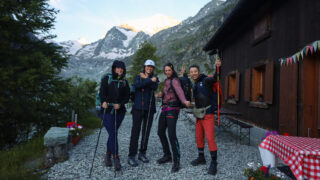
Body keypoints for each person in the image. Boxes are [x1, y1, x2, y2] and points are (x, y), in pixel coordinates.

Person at [188, 58, 221, 175]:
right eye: (191, 72)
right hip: (198, 114)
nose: (193, 73)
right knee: (199, 137)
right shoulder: (195, 84)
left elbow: (216, 78)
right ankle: (201, 157)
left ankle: (214, 162)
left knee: (210, 138)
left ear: (198, 71)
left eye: (195, 71)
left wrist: (218, 68)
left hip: (208, 114)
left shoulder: (205, 80)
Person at [157, 63, 191, 173]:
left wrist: (184, 101)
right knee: (160, 132)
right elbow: (168, 93)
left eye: (169, 70)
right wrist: (162, 95)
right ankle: (167, 155)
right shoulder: (167, 81)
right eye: (165, 70)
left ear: (172, 70)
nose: (167, 72)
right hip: (165, 108)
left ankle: (176, 161)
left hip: (173, 109)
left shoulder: (175, 80)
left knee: (171, 135)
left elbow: (180, 92)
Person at [99, 60, 130, 171]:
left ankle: (108, 154)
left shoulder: (125, 82)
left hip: (120, 112)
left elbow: (127, 97)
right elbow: (102, 91)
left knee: (113, 133)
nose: (119, 70)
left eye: (121, 68)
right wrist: (103, 101)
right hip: (106, 111)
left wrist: (120, 104)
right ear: (114, 68)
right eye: (117, 68)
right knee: (113, 133)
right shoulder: (106, 78)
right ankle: (116, 158)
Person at [128, 59, 159, 167]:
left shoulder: (155, 78)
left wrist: (145, 80)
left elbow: (155, 87)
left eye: (151, 67)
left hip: (150, 108)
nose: (149, 68)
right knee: (135, 132)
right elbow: (137, 86)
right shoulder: (138, 77)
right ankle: (131, 155)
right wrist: (149, 80)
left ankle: (142, 153)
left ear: (153, 68)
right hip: (137, 108)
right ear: (144, 67)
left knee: (146, 132)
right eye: (147, 66)